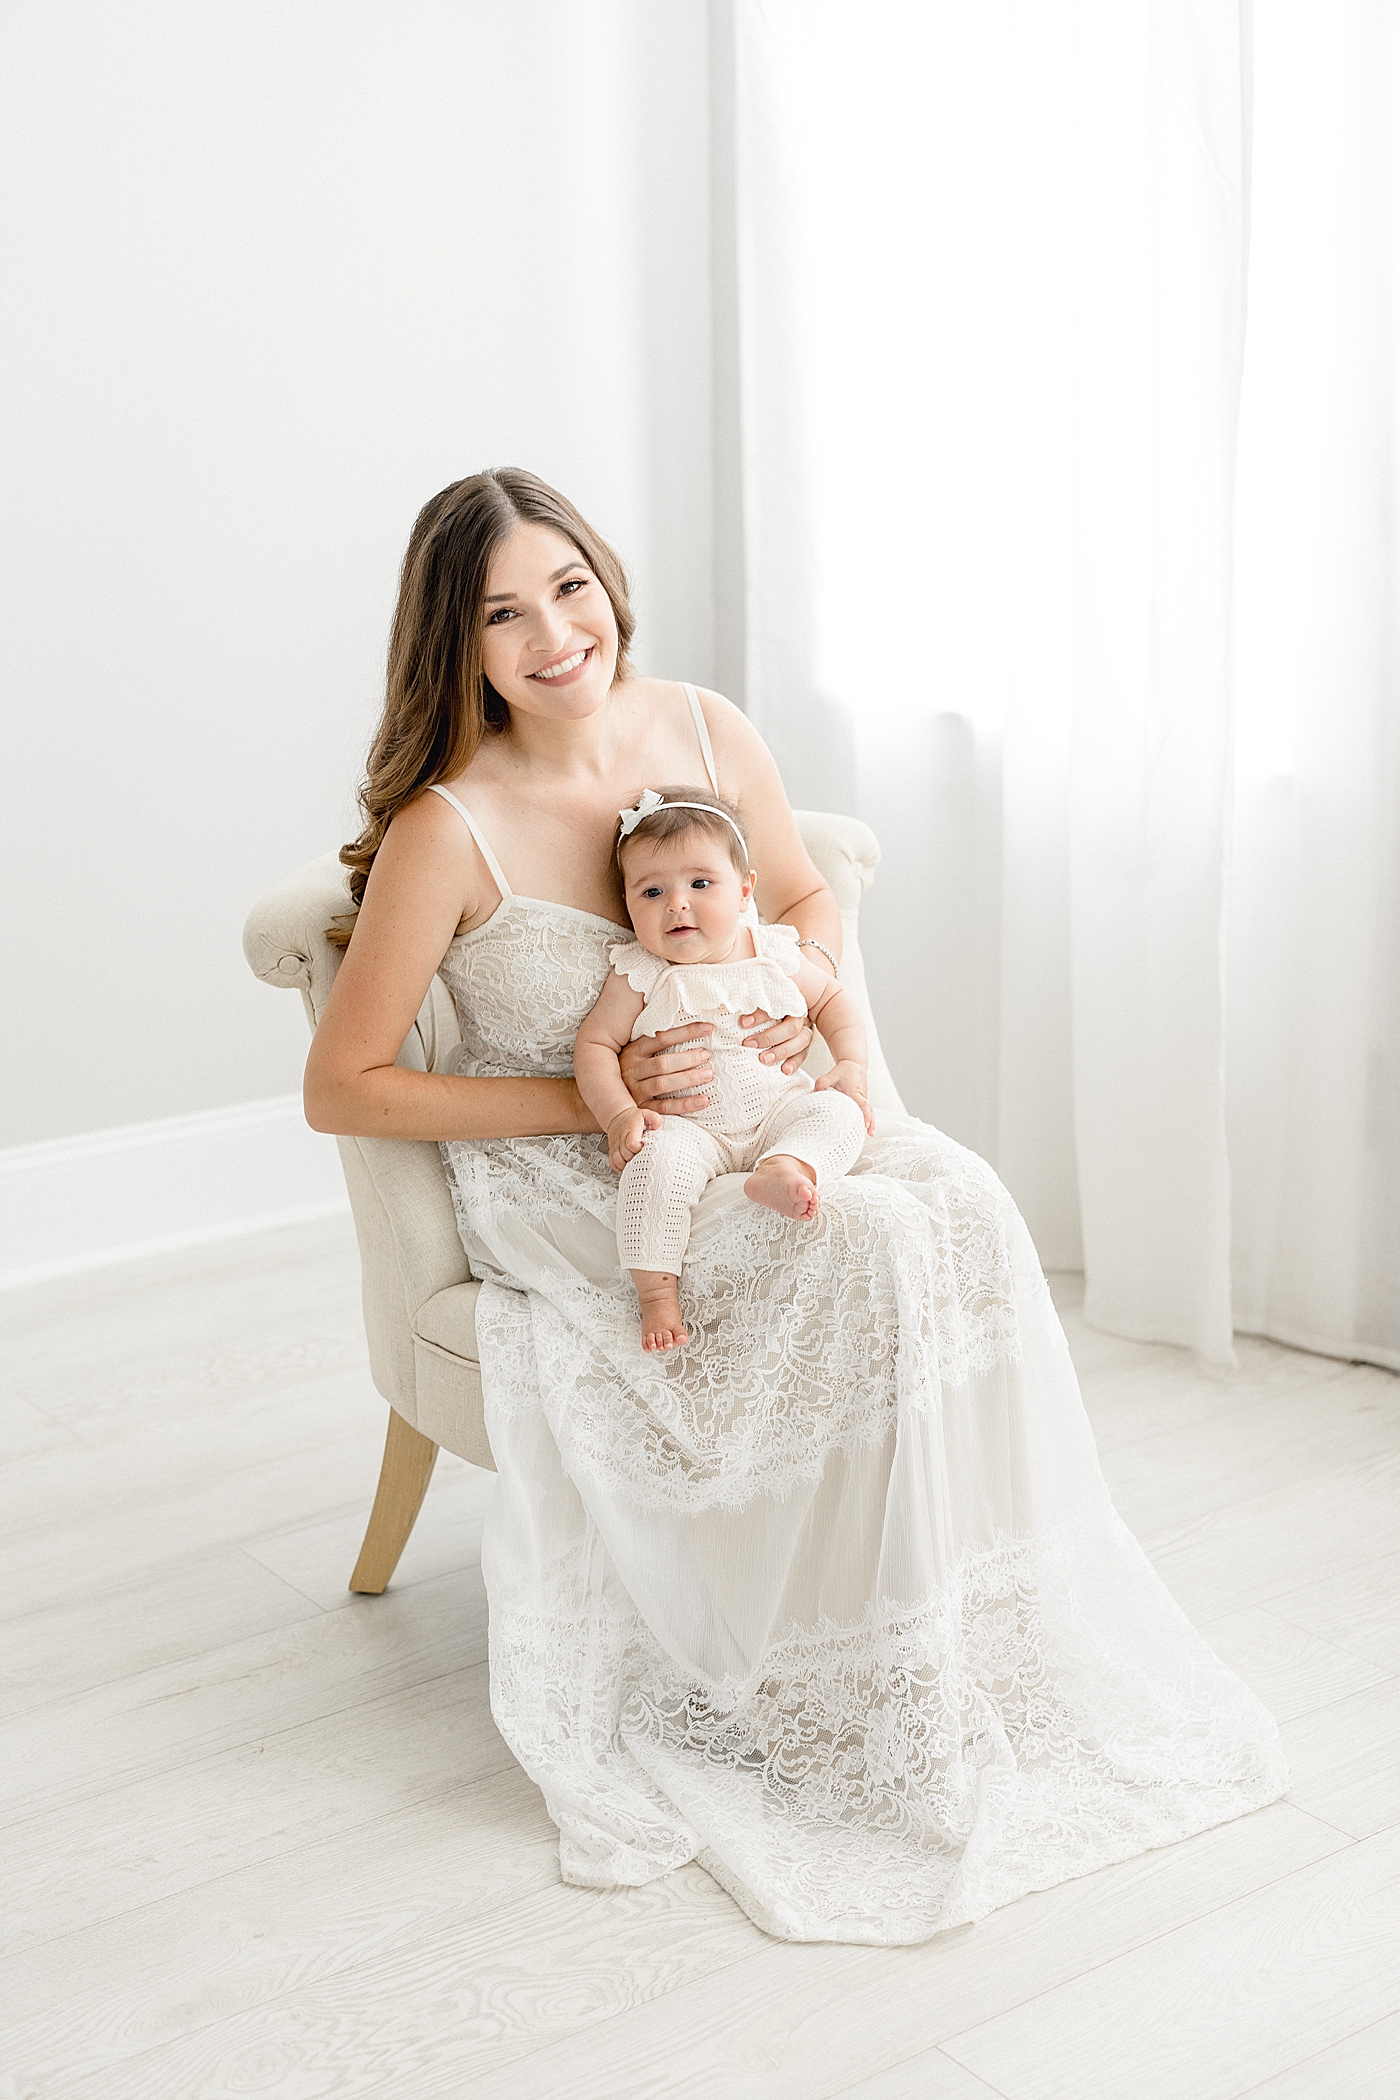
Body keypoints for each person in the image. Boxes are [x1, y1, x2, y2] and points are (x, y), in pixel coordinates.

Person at [305, 467, 1288, 1947]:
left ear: (608, 578)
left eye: (569, 586)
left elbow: (809, 902)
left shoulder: (704, 727)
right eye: (504, 613)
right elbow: (348, 1085)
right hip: (597, 1169)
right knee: (866, 1243)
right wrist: (595, 1099)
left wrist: (851, 1066)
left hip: (778, 1110)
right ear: (459, 645)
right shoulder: (454, 828)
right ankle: (821, 1678)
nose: (555, 632)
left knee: (957, 1204)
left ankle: (946, 1636)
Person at [574, 784, 872, 1351]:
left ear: (745, 891)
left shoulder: (775, 950)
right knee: (652, 1170)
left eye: (700, 884)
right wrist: (617, 1116)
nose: (676, 904)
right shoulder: (639, 969)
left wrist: (851, 1065)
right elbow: (594, 1047)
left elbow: (832, 1001)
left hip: (779, 1109)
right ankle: (658, 1295)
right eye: (651, 891)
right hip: (689, 1128)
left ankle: (787, 1167)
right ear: (628, 904)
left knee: (839, 1112)